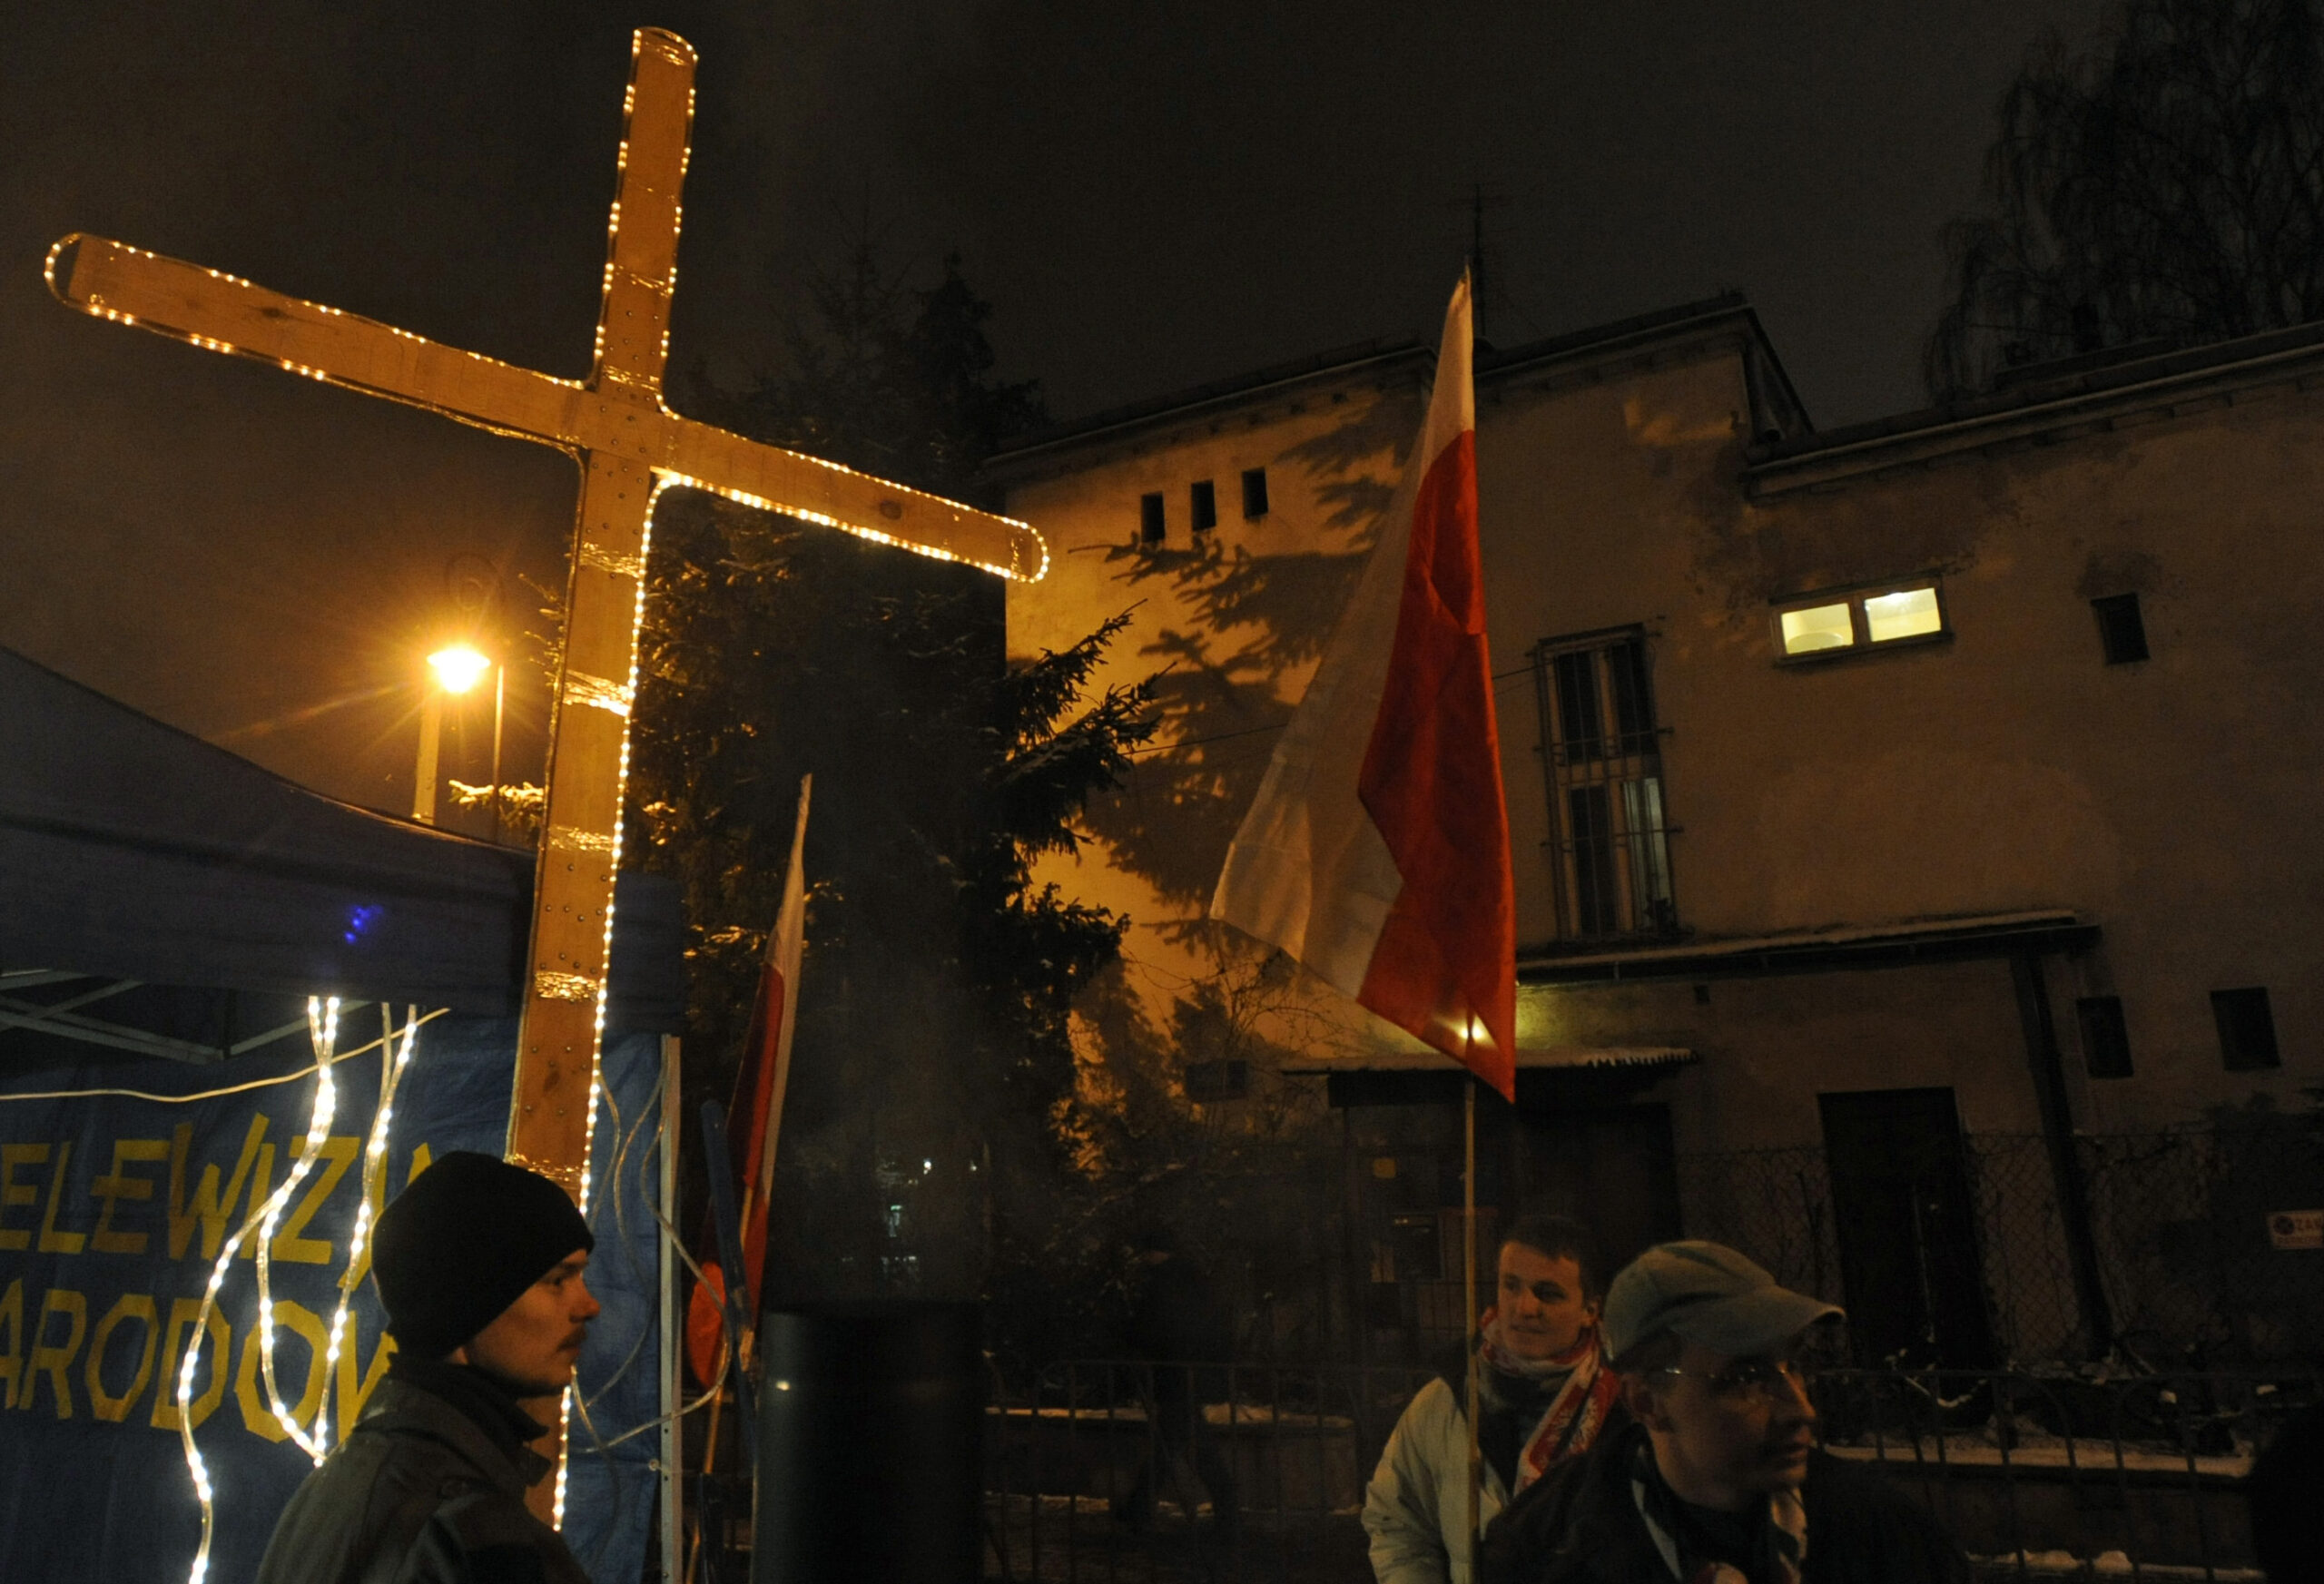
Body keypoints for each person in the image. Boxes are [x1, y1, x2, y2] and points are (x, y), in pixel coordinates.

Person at [1480, 1240, 1970, 1584]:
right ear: (1647, 1402)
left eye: (1793, 1366)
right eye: (1745, 1378)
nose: (1801, 1409)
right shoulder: (1542, 1553)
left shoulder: (1888, 1542)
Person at [255, 1151, 604, 1584]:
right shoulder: (471, 1534)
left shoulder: (341, 1483)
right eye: (557, 1280)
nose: (589, 1306)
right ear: (465, 1307)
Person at [1364, 1214, 1624, 1584]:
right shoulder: (1448, 1400)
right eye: (1511, 1286)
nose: (1524, 1308)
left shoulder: (1628, 1408)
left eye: (1547, 1293)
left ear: (1590, 1310)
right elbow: (1397, 1523)